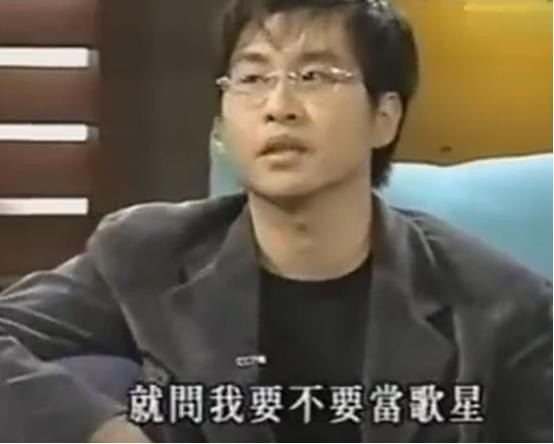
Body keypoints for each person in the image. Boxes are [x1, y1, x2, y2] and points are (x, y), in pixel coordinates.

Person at [0, 0, 551, 442]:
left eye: (313, 75)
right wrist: (98, 429)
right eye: (252, 77)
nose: (278, 105)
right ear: (222, 125)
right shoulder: (147, 256)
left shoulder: (503, 307)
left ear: (384, 116)